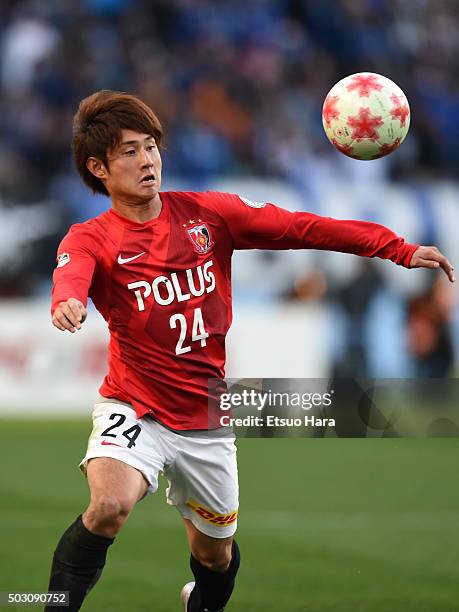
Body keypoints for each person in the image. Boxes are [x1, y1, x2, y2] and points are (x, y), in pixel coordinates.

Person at [46, 90, 455, 612]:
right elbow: (71, 275)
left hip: (206, 417)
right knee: (108, 507)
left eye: (151, 146)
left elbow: (304, 228)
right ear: (98, 167)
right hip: (134, 408)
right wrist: (68, 303)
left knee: (215, 559)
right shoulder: (91, 238)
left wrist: (397, 248)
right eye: (130, 151)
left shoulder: (208, 214)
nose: (147, 160)